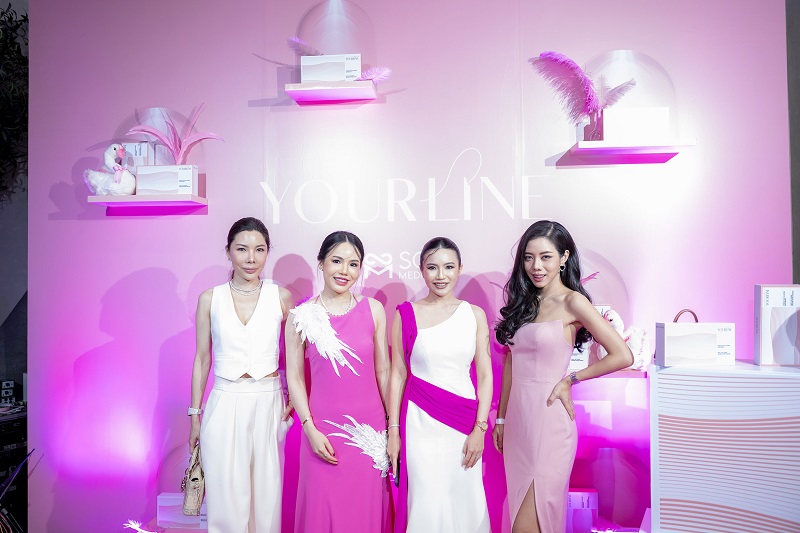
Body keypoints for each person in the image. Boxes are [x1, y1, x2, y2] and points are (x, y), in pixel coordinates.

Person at [493, 220, 633, 533]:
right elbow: (511, 362)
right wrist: (501, 418)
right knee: (516, 515)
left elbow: (623, 355)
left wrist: (571, 379)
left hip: (550, 419)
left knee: (533, 518)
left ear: (564, 257)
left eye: (545, 257)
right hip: (518, 422)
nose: (536, 266)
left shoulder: (573, 301)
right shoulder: (524, 303)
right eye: (529, 258)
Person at [188, 217, 295, 533]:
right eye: (242, 249)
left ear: (267, 252)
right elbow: (202, 359)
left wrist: (293, 396)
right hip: (224, 400)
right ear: (228, 251)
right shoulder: (210, 298)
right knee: (225, 497)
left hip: (269, 401)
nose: (251, 258)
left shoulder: (281, 297)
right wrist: (194, 414)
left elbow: (294, 356)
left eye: (259, 249)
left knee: (267, 497)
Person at [286, 230, 392, 533]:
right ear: (321, 262)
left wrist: (392, 426)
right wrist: (309, 428)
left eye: (353, 264)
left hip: (369, 434)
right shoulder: (301, 316)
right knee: (321, 514)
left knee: (363, 516)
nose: (344, 271)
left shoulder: (374, 309)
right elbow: (295, 377)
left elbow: (383, 372)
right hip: (321, 434)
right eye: (336, 261)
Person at [387, 237, 492, 533]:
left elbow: (485, 376)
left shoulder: (474, 315)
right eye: (432, 267)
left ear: (459, 269)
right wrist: (393, 431)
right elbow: (397, 375)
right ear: (422, 270)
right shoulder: (405, 314)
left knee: (465, 500)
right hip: (420, 425)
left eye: (448, 267)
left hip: (464, 426)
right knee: (426, 501)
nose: (441, 275)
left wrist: (480, 429)